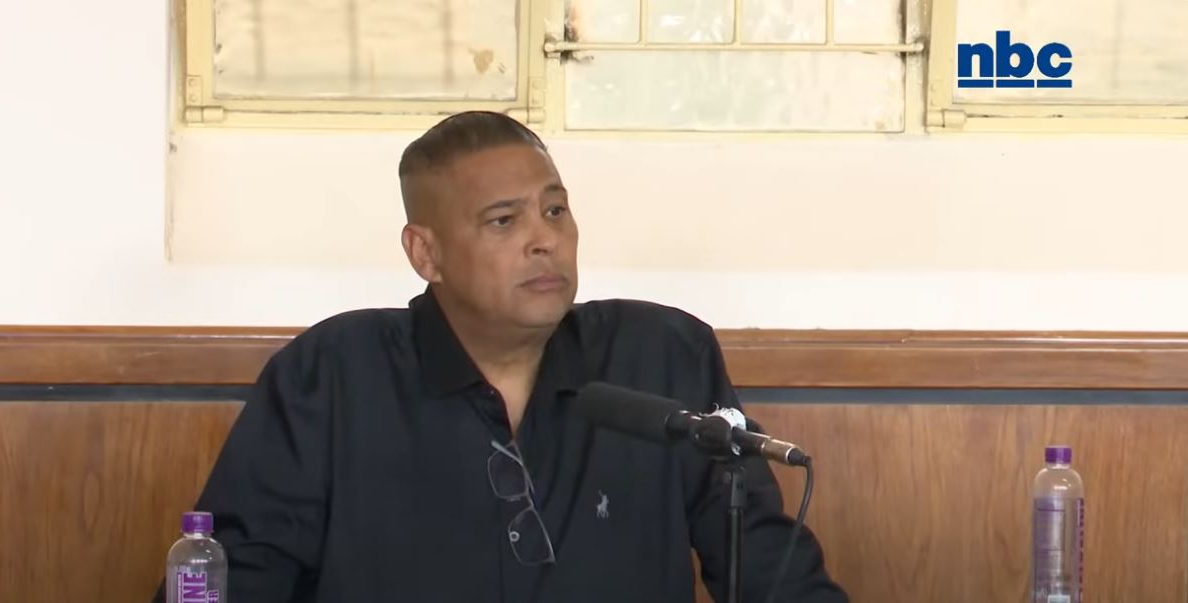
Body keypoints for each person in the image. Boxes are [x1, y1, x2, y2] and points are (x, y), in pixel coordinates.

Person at [156, 111, 847, 603]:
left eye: (556, 211)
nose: (544, 240)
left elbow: (771, 569)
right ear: (426, 253)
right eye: (504, 220)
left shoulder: (661, 357)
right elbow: (232, 576)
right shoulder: (331, 376)